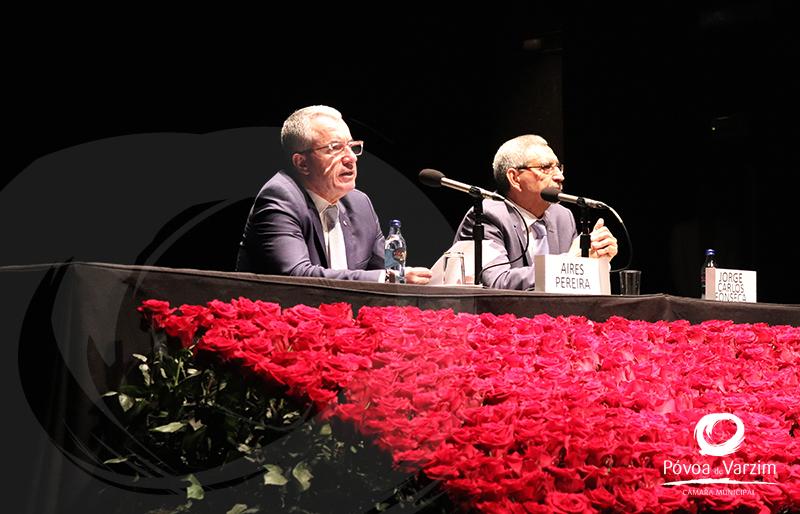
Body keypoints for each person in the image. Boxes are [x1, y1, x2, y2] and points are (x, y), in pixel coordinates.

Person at [236, 105, 431, 284]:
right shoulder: (280, 197)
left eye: (351, 146)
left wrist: (402, 277)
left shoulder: (360, 204)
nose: (351, 158)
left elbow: (386, 270)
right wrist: (388, 278)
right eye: (336, 148)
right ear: (302, 163)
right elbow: (297, 275)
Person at [455, 134, 617, 290]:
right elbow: (497, 282)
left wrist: (596, 262)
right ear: (514, 178)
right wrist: (568, 263)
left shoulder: (563, 217)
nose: (560, 176)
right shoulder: (486, 216)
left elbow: (572, 286)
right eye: (545, 168)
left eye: (558, 167)